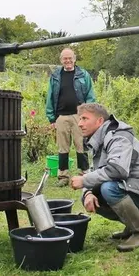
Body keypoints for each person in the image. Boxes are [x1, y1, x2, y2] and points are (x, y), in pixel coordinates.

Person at [69, 103, 139, 252]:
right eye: (80, 119)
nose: (79, 123)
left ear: (99, 121)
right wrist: (88, 192)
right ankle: (133, 225)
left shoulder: (118, 136)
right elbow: (94, 172)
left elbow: (117, 170)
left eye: (84, 118)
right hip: (135, 187)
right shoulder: (99, 139)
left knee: (108, 188)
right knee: (91, 195)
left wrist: (84, 181)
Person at [46, 48, 96, 187]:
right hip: (61, 116)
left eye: (70, 58)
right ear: (61, 60)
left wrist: (88, 115)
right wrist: (51, 118)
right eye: (64, 58)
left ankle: (84, 174)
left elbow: (90, 96)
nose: (67, 61)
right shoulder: (55, 76)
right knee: (63, 148)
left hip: (79, 116)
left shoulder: (83, 75)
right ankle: (63, 176)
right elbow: (50, 97)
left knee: (81, 145)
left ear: (74, 59)